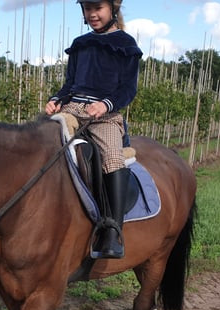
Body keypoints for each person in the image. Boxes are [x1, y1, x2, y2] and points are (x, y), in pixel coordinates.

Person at [45, 0, 142, 259]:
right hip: (73, 109)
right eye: (88, 9)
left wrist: (106, 104)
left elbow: (127, 89)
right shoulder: (80, 44)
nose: (92, 14)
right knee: (42, 139)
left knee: (112, 157)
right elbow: (69, 85)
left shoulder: (126, 45)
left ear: (113, 9)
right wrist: (56, 99)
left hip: (105, 115)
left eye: (97, 8)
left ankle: (113, 230)